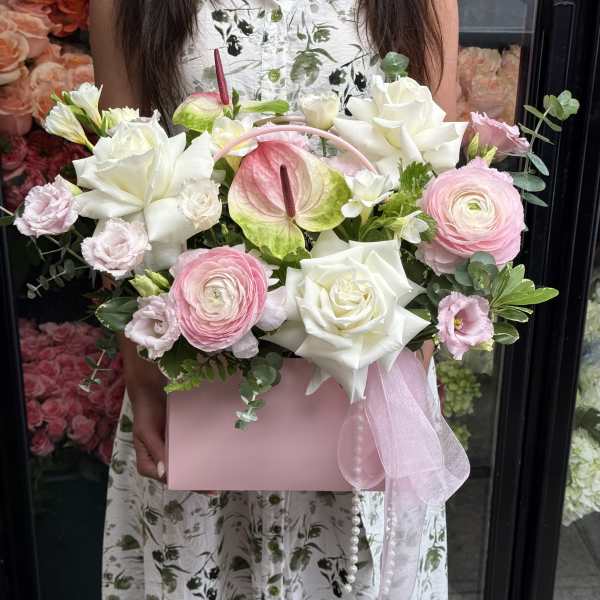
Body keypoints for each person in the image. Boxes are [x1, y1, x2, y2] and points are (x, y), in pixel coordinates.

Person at [90, 1, 459, 598]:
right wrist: (138, 366)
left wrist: (418, 351)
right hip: (198, 368)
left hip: (369, 379)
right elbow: (119, 174)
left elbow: (436, 173)